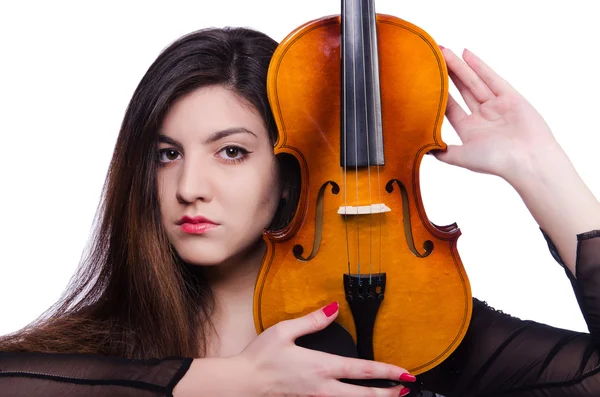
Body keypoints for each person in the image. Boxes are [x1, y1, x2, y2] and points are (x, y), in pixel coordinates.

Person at [0, 26, 598, 397]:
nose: (188, 187)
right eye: (165, 154)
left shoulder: (397, 331)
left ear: (290, 171)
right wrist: (237, 382)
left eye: (230, 152)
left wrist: (539, 168)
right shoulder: (101, 350)